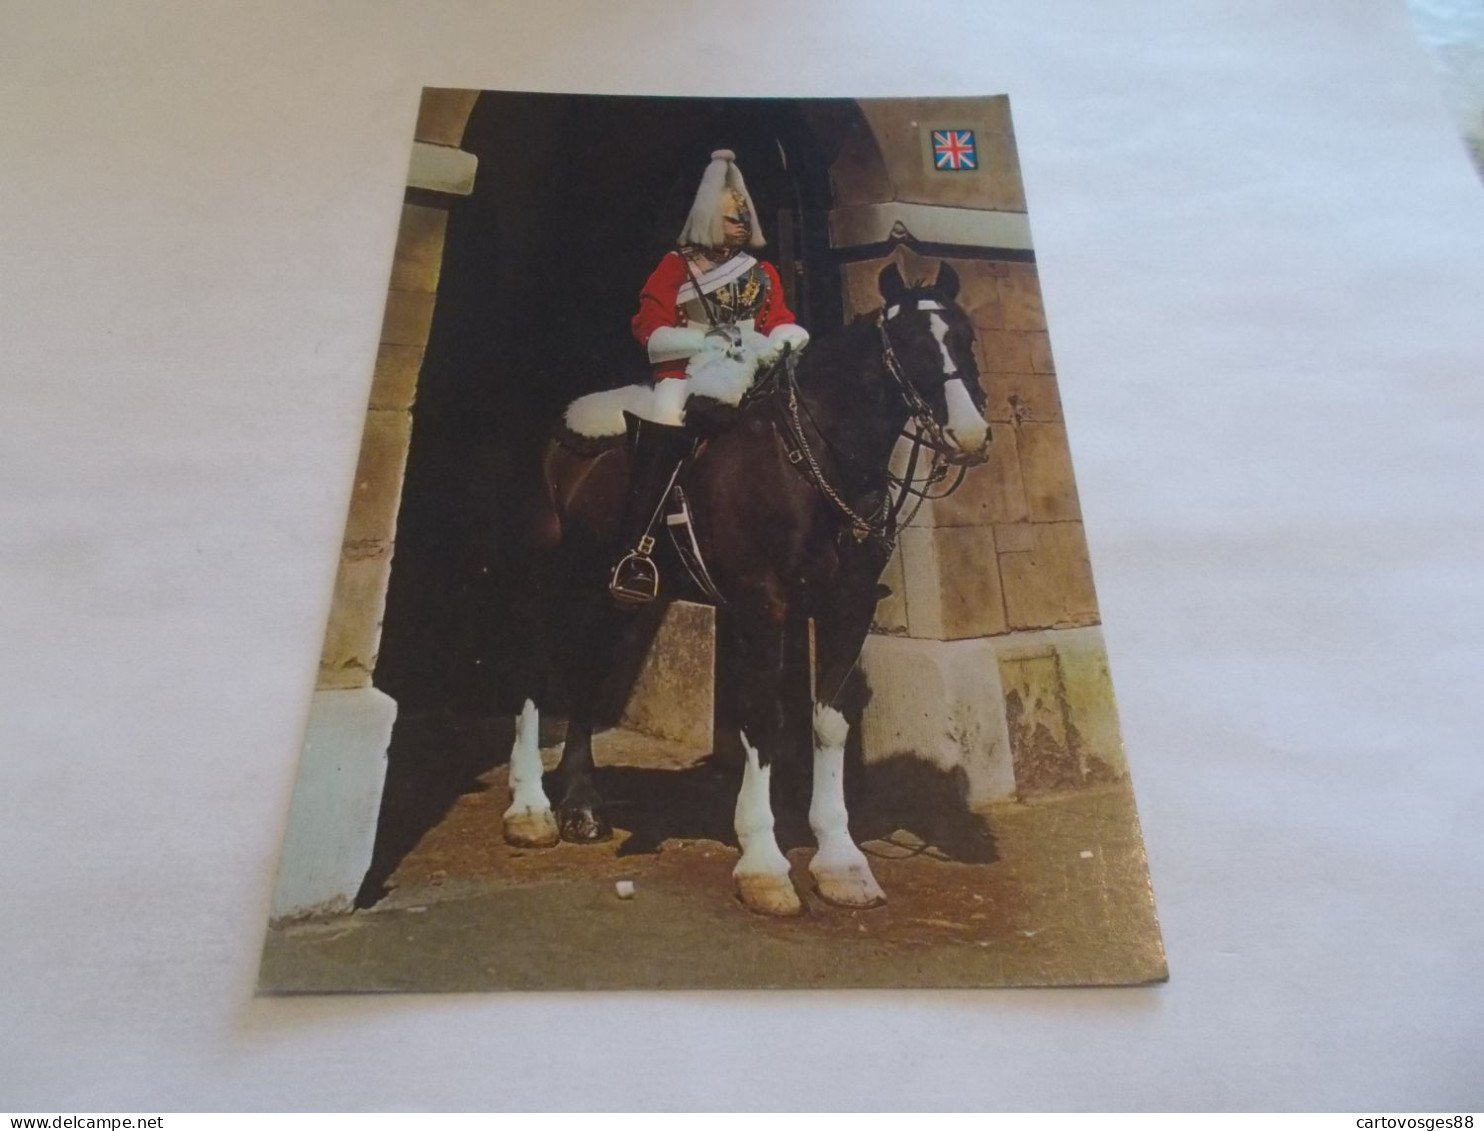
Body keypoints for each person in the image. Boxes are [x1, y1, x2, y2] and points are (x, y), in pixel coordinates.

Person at [609, 149, 811, 604]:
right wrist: (699, 342)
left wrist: (783, 339)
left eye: (744, 219)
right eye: (732, 218)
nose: (741, 225)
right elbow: (649, 326)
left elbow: (778, 318)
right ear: (707, 217)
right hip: (687, 369)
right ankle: (636, 552)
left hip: (752, 369)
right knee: (663, 430)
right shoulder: (676, 267)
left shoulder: (764, 273)